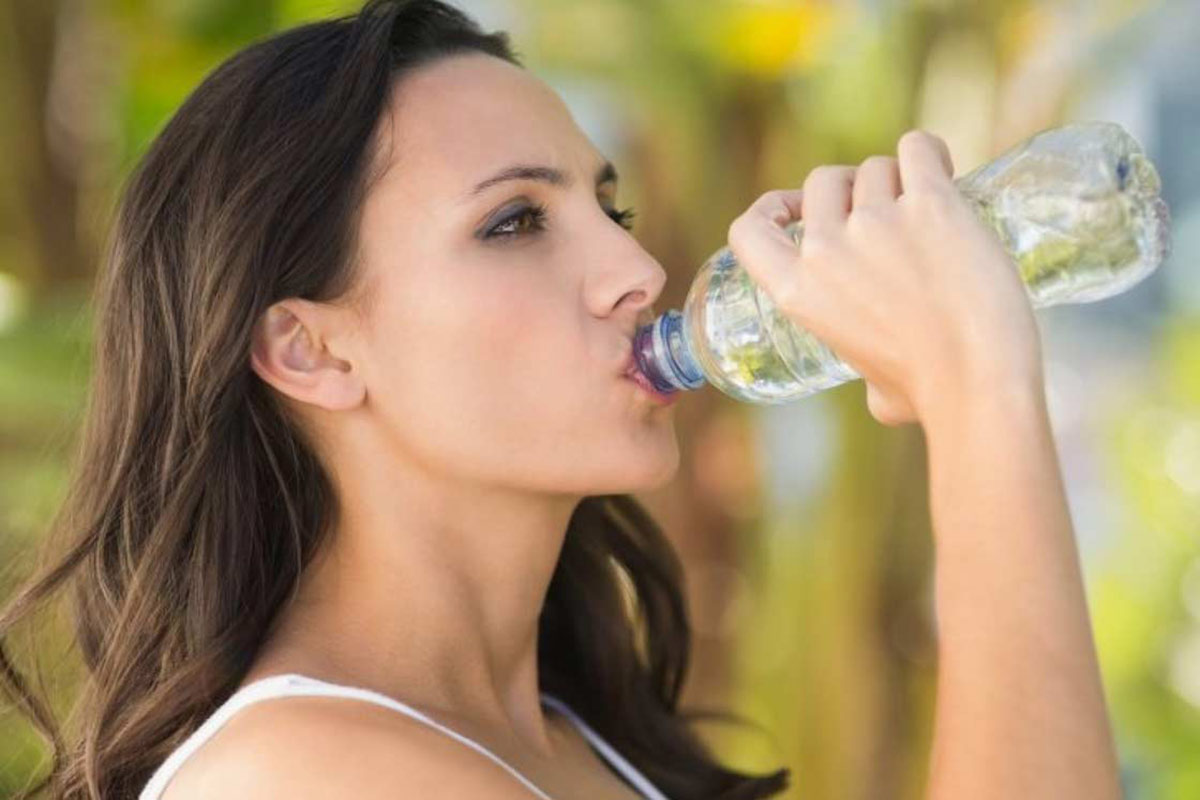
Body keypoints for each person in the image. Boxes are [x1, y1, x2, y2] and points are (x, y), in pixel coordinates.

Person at [0, 1, 1121, 798]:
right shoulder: (302, 775)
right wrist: (980, 396)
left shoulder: (565, 737)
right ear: (309, 350)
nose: (636, 273)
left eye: (608, 209)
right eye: (515, 223)